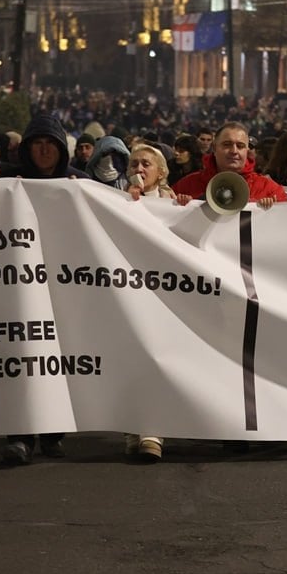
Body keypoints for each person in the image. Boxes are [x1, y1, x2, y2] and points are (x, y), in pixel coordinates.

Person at [0, 113, 85, 464]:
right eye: (38, 144)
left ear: (62, 149)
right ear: (28, 148)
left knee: (58, 359)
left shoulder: (79, 183)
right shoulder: (8, 184)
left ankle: (52, 433)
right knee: (22, 357)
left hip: (61, 286)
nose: (45, 150)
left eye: (51, 144)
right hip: (20, 285)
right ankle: (20, 435)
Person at [123, 143, 176, 463]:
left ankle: (152, 430)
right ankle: (133, 425)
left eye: (146, 164)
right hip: (129, 291)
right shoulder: (117, 199)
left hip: (164, 295)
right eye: (133, 164)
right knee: (132, 357)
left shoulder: (171, 201)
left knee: (158, 357)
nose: (139, 169)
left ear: (161, 172)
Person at [172, 122, 287, 207]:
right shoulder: (185, 187)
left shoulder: (271, 190)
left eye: (240, 146)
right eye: (227, 144)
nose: (234, 151)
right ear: (214, 148)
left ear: (247, 151)